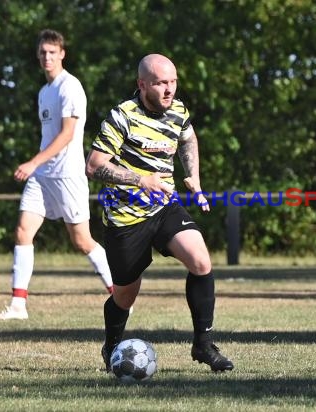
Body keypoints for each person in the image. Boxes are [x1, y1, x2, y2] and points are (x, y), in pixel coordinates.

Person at [85, 54, 234, 373]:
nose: (169, 89)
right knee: (125, 295)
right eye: (160, 83)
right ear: (142, 84)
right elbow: (94, 165)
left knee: (201, 260)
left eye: (173, 82)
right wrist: (140, 179)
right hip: (126, 217)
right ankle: (112, 346)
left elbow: (188, 139)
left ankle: (203, 345)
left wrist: (193, 176)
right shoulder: (122, 116)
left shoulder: (178, 110)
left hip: (164, 206)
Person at [0, 29, 113, 321]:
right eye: (43, 52)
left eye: (52, 52)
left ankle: (119, 292)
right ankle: (18, 306)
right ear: (38, 55)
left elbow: (68, 134)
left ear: (62, 54)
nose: (47, 57)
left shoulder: (70, 87)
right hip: (43, 177)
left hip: (68, 175)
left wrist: (32, 162)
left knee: (81, 240)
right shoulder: (44, 92)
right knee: (22, 231)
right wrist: (38, 167)